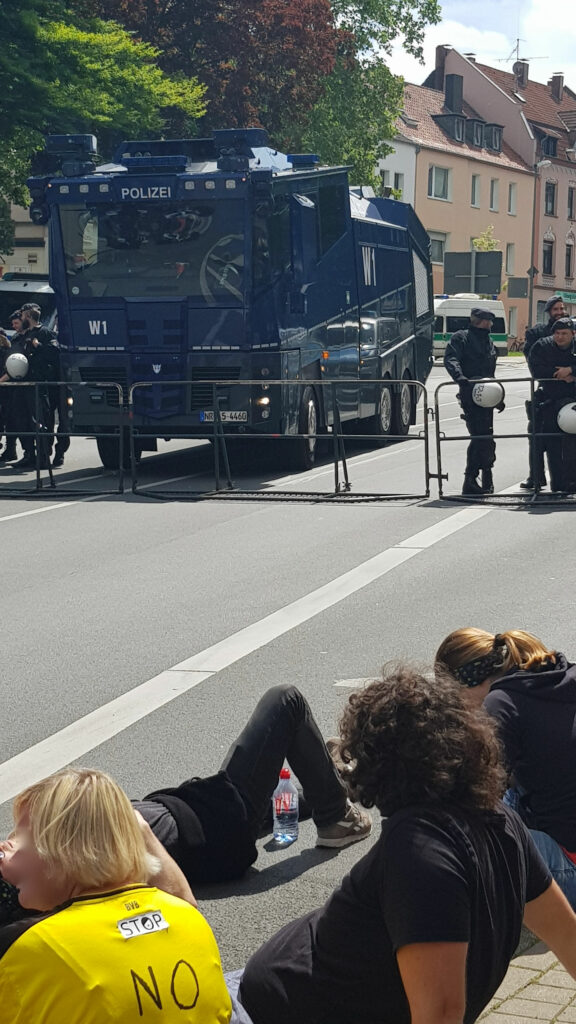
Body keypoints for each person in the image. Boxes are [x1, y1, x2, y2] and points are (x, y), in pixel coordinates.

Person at [238, 666, 576, 1024]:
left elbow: (442, 1014)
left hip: (270, 1008)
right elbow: (568, 936)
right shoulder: (500, 822)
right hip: (289, 977)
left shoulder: (419, 849)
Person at [0, 687, 370, 919]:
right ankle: (337, 815)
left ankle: (338, 780)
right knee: (285, 701)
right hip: (217, 821)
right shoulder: (71, 858)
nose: (8, 842)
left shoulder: (51, 860)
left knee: (280, 805)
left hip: (206, 816)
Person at [0, 768, 234, 1022]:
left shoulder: (27, 949)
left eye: (18, 836)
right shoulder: (188, 918)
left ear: (59, 850)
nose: (8, 846)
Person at [435, 628, 576, 910]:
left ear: (467, 684)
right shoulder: (561, 673)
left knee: (465, 838)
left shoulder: (499, 708)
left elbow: (469, 802)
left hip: (570, 868)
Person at [444, 307, 504, 496]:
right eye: (488, 320)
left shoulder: (488, 340)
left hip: (487, 396)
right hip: (471, 394)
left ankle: (486, 475)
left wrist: (498, 396)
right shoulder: (461, 337)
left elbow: (490, 372)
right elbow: (451, 359)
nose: (491, 324)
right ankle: (471, 478)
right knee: (480, 437)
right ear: (480, 321)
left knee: (486, 436)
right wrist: (460, 377)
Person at [526, 316, 576, 492]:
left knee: (571, 445)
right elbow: (536, 369)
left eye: (564, 333)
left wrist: (571, 370)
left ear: (573, 334)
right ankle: (552, 485)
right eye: (557, 333)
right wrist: (561, 375)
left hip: (572, 402)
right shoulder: (542, 346)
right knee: (549, 444)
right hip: (549, 400)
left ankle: (571, 484)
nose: (560, 337)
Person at [523, 294, 567, 360]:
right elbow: (529, 354)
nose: (559, 312)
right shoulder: (539, 332)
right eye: (555, 309)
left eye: (561, 309)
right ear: (549, 312)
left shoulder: (571, 330)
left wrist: (571, 368)